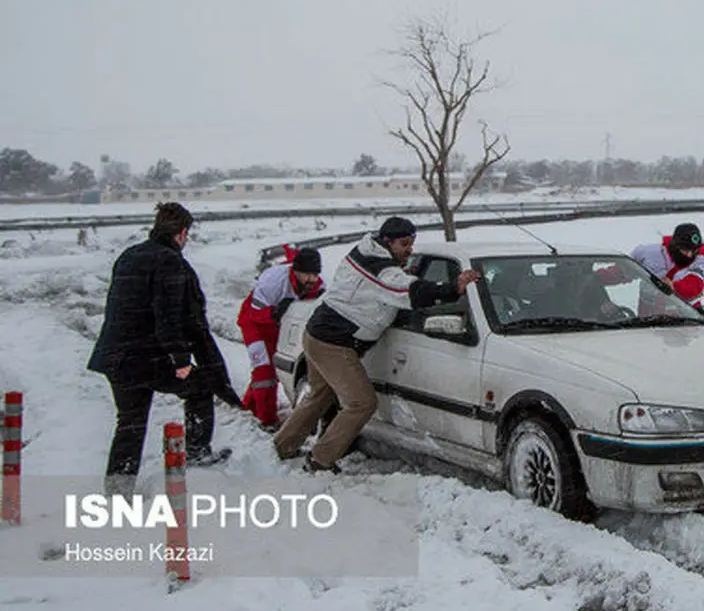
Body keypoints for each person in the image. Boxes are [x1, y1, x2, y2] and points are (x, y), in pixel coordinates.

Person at [272, 216, 481, 474]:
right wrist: (453, 288)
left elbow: (391, 284)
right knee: (362, 403)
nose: (410, 249)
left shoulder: (366, 251)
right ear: (387, 242)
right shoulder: (379, 269)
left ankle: (283, 446)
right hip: (333, 344)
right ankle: (320, 460)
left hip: (318, 334)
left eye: (412, 243)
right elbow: (407, 292)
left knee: (320, 394)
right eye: (404, 244)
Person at [86, 202, 242, 495]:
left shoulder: (128, 256)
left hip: (116, 355)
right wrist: (181, 359)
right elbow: (167, 314)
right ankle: (197, 454)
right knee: (199, 388)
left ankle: (118, 489)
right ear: (182, 233)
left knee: (130, 422)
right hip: (147, 356)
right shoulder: (170, 262)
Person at [236, 245, 325, 430]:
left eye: (315, 275)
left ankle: (249, 406)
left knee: (274, 368)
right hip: (255, 325)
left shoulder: (318, 286)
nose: (311, 279)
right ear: (295, 271)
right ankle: (267, 420)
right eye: (307, 275)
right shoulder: (273, 281)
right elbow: (254, 311)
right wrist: (274, 313)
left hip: (278, 328)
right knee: (263, 371)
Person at [628, 222, 704, 313]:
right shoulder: (647, 253)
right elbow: (624, 270)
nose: (689, 255)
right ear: (675, 245)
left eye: (694, 250)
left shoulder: (702, 262)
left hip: (685, 318)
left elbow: (694, 285)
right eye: (685, 250)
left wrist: (673, 287)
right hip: (645, 321)